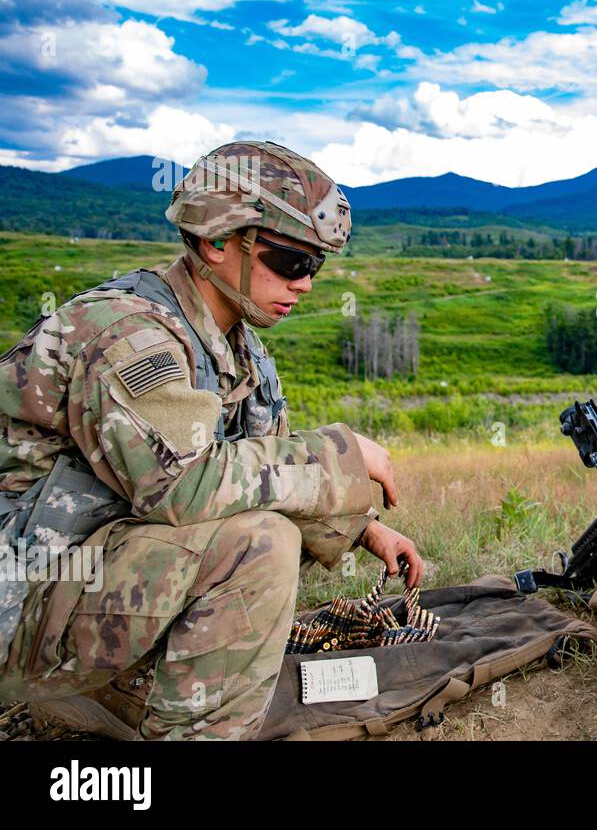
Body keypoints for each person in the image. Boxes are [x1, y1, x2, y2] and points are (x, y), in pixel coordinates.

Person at [0, 141, 423, 739]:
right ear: (217, 240)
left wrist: (362, 529)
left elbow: (260, 475)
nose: (305, 285)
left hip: (82, 577)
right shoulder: (130, 336)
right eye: (290, 261)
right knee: (258, 545)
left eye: (315, 267)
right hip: (21, 602)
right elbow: (186, 485)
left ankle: (131, 693)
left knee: (260, 525)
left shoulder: (238, 354)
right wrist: (342, 455)